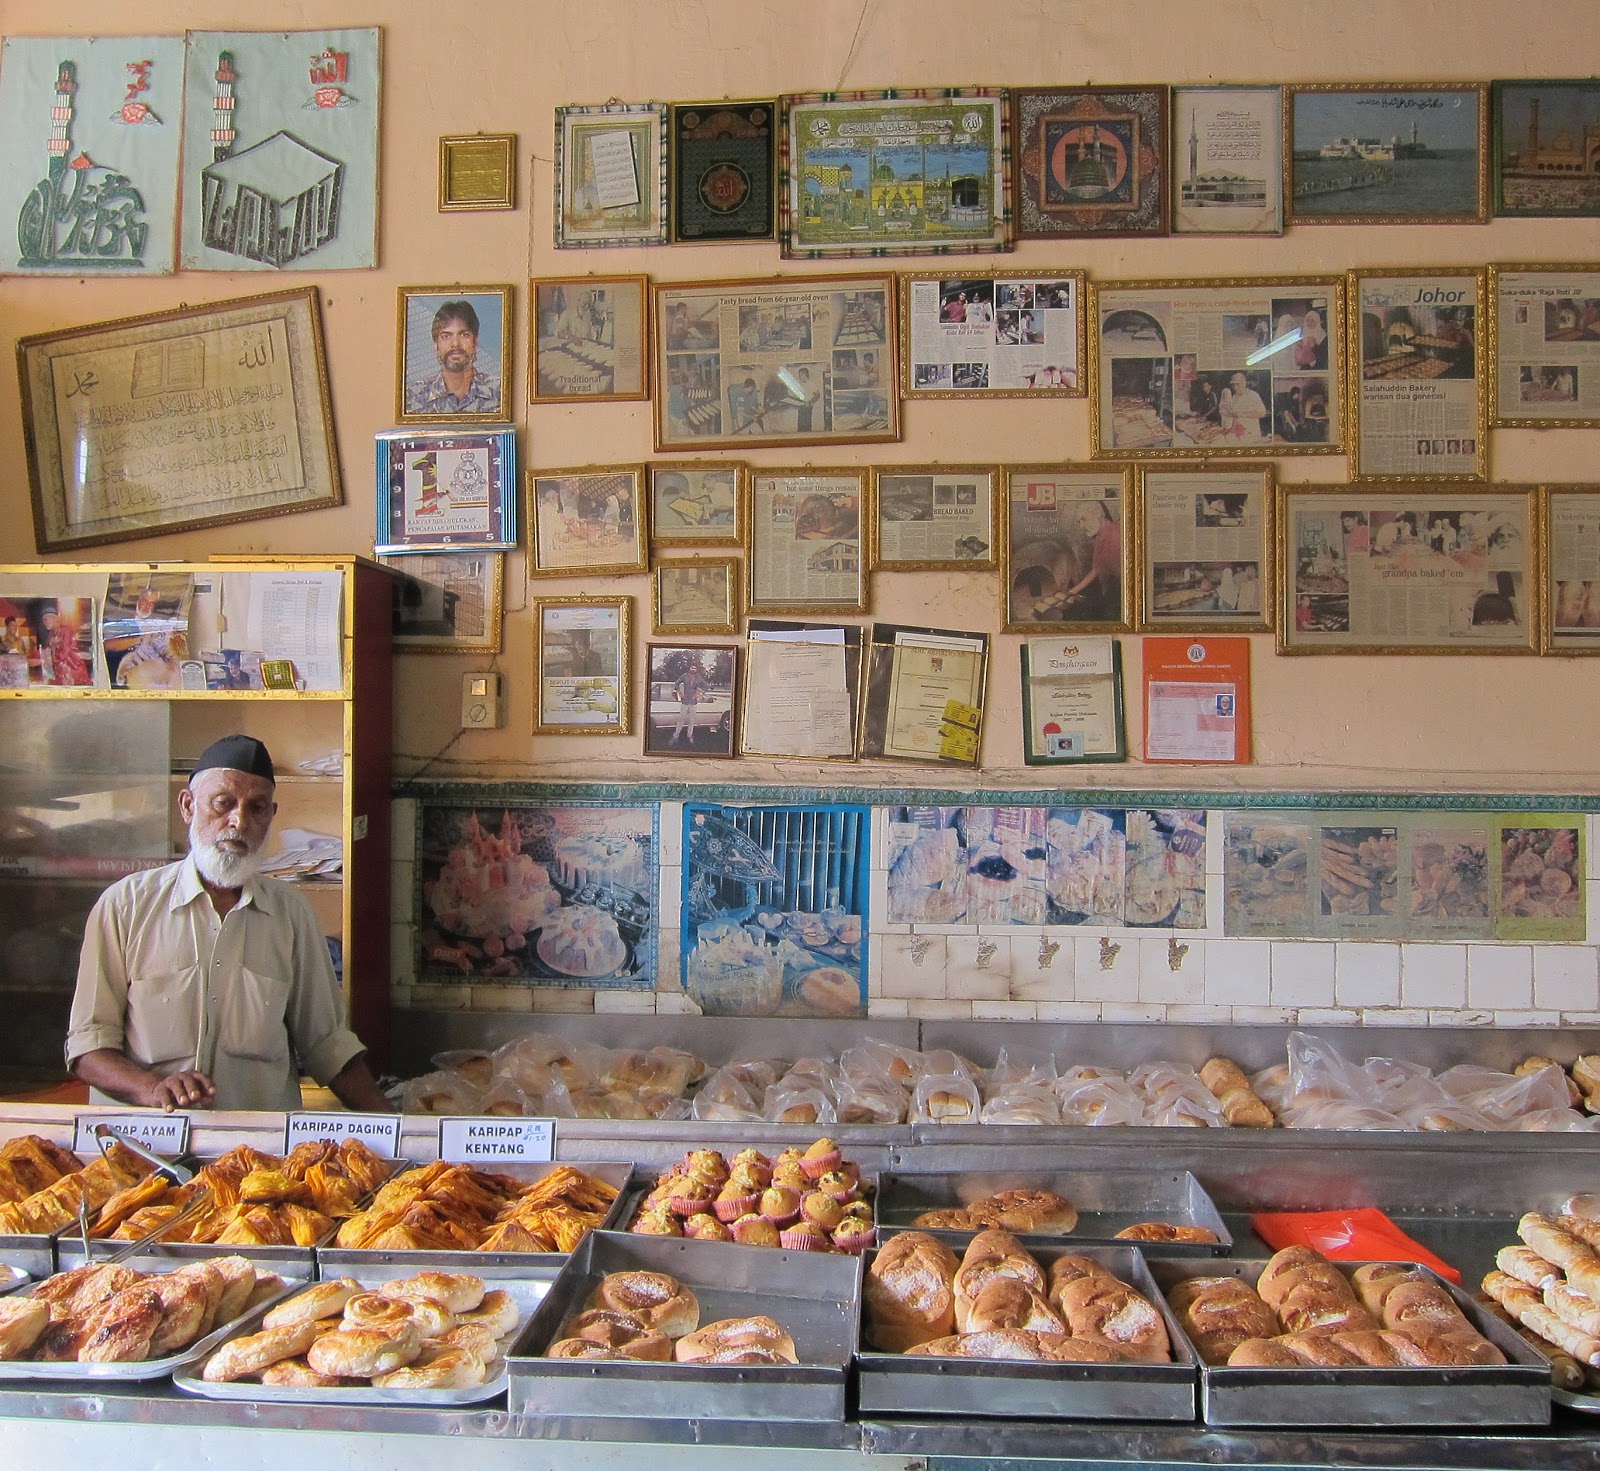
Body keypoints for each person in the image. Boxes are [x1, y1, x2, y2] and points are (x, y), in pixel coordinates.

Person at [64, 735, 391, 1113]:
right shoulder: (126, 906)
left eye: (257, 809)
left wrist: (401, 1130)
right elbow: (88, 1047)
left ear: (272, 814)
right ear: (188, 806)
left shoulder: (291, 915)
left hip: (256, 1155)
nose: (239, 821)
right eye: (223, 804)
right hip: (147, 1149)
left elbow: (328, 1045)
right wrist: (151, 1088)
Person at [404, 300, 501, 416]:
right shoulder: (413, 396)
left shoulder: (499, 392)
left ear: (475, 342)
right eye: (446, 336)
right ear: (436, 345)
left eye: (464, 335)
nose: (455, 344)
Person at [1219, 372, 1267, 441]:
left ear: (1244, 383)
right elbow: (1233, 416)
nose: (1235, 387)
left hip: (1252, 434)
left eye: (1238, 384)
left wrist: (1244, 415)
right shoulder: (1234, 397)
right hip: (1238, 435)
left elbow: (1262, 413)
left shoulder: (1253, 395)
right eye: (1233, 385)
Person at [670, 660, 707, 745]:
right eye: (692, 668)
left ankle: (689, 736)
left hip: (693, 702)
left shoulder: (699, 677)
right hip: (685, 701)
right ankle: (675, 736)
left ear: (696, 669)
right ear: (689, 668)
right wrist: (680, 692)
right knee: (680, 719)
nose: (693, 669)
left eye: (695, 668)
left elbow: (706, 686)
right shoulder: (684, 676)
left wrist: (699, 694)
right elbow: (676, 683)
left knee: (691, 720)